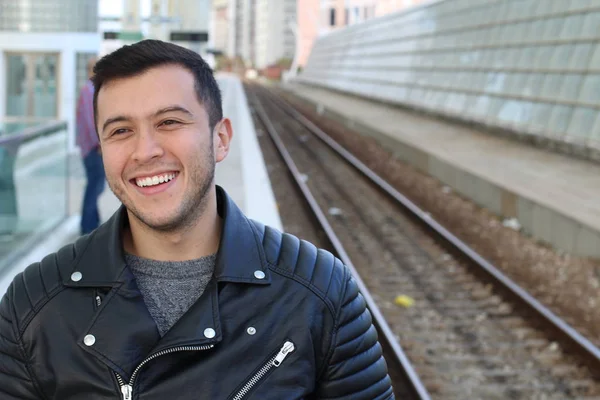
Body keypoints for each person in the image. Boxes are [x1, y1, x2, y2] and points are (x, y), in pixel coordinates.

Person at [0, 40, 393, 399]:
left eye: (169, 122)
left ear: (220, 139)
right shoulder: (33, 305)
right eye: (120, 130)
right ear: (101, 150)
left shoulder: (321, 292)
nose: (145, 151)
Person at [76, 56, 106, 235]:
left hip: (91, 148)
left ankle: (93, 223)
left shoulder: (92, 90)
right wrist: (100, 143)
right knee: (95, 187)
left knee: (95, 186)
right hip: (93, 149)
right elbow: (90, 121)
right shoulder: (89, 91)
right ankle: (88, 227)